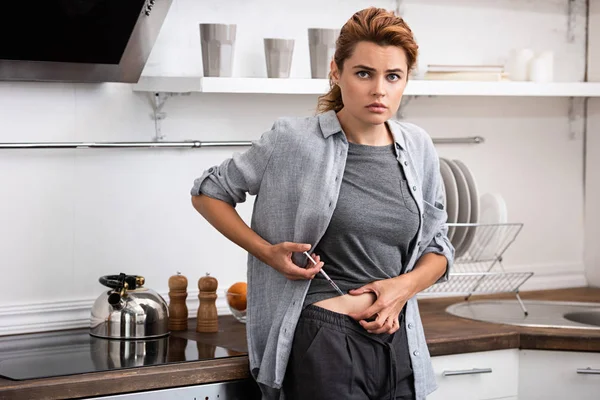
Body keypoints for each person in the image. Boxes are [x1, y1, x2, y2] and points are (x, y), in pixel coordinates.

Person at [190, 7, 454, 400]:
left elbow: (439, 247)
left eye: (392, 76)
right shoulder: (293, 140)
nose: (378, 89)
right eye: (364, 73)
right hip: (326, 340)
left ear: (405, 81)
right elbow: (208, 191)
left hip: (400, 341)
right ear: (337, 72)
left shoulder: (419, 148)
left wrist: (401, 289)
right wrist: (267, 253)